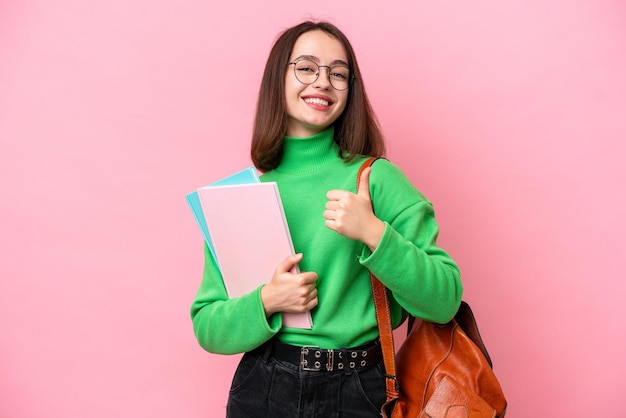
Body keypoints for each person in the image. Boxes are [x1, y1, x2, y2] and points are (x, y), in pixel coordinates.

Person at [190, 20, 463, 417]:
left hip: (361, 387)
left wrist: (373, 232)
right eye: (306, 67)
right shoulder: (243, 197)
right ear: (277, 79)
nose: (323, 82)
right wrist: (268, 300)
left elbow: (443, 301)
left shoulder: (375, 179)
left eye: (338, 73)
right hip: (263, 389)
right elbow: (208, 326)